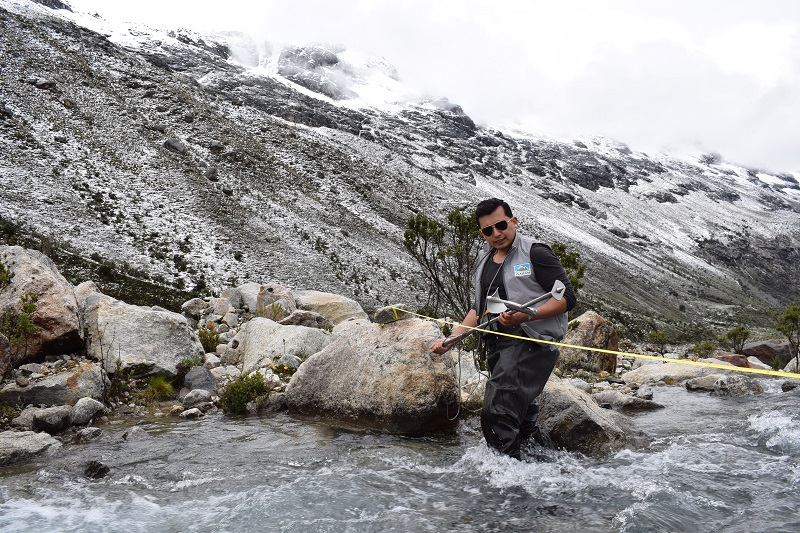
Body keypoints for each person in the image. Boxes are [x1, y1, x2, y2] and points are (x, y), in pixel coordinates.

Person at [430, 198, 576, 459]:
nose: (496, 234)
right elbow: (479, 309)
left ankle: (504, 481)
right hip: (498, 343)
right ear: (481, 233)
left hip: (532, 342)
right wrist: (452, 339)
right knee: (523, 416)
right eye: (488, 230)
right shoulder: (484, 260)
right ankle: (546, 466)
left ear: (514, 221)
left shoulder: (536, 252)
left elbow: (567, 299)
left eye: (501, 225)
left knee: (498, 410)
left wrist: (526, 316)